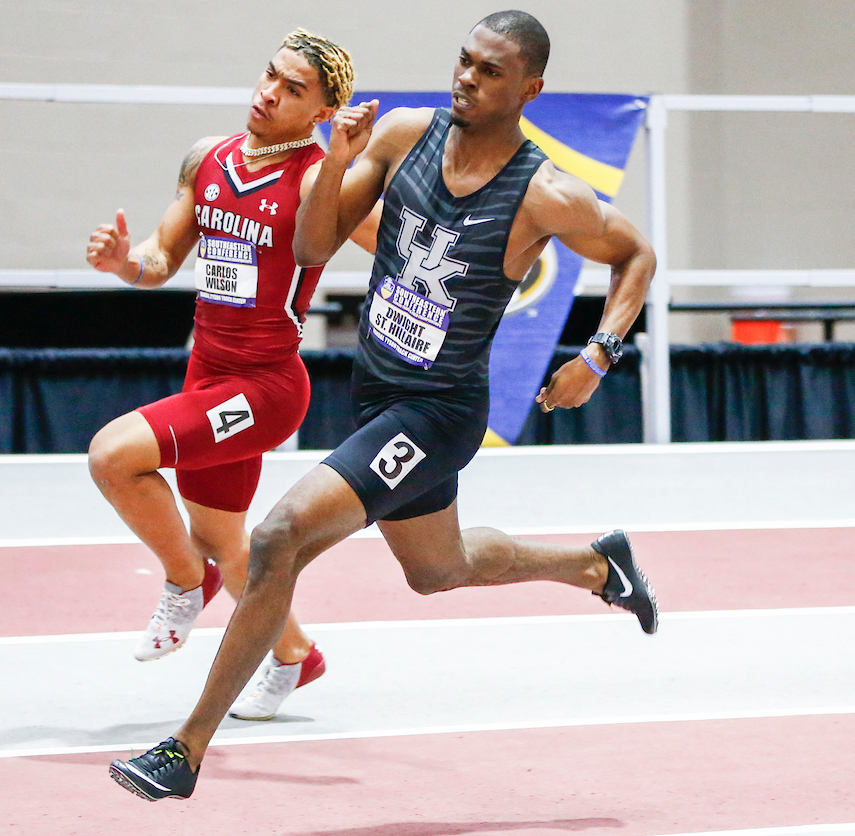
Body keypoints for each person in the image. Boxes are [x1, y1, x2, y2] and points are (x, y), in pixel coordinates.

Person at [108, 10, 659, 802]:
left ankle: (185, 749)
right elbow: (310, 246)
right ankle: (596, 565)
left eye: (491, 70)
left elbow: (634, 252)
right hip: (376, 388)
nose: (467, 77)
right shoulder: (402, 135)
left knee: (277, 537)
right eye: (464, 61)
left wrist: (600, 354)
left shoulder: (545, 194)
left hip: (438, 410)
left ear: (530, 89)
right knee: (439, 570)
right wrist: (335, 163)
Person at [86, 29, 378, 725]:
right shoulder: (208, 158)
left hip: (266, 387)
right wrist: (124, 264)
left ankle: (187, 581)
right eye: (269, 75)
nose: (267, 92)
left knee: (112, 456)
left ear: (321, 112)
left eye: (293, 89)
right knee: (226, 539)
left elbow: (399, 239)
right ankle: (294, 654)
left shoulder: (318, 179)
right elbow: (160, 259)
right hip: (207, 371)